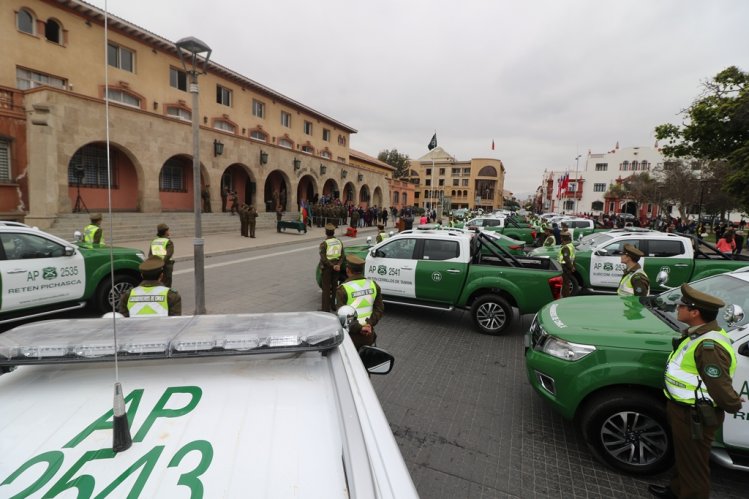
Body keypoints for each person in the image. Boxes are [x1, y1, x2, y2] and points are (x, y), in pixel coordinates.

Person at [647, 284, 742, 499]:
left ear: (694, 312)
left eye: (681, 306)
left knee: (695, 469)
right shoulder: (697, 335)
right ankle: (676, 491)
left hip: (694, 415)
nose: (677, 308)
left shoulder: (709, 345)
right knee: (685, 458)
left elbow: (719, 385)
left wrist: (733, 403)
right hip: (684, 410)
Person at [335, 254, 384, 349]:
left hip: (350, 338)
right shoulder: (373, 285)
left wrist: (359, 328)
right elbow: (379, 308)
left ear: (348, 270)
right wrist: (369, 324)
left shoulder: (343, 289)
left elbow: (342, 316)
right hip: (369, 334)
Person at [319, 223, 344, 312]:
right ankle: (334, 306)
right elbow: (342, 255)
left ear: (326, 232)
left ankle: (325, 309)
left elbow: (323, 258)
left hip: (327, 268)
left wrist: (332, 266)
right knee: (335, 287)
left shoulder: (324, 243)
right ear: (333, 232)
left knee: (326, 288)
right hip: (337, 268)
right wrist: (338, 265)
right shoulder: (339, 242)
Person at [558, 231, 577, 297]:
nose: (561, 239)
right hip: (568, 267)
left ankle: (565, 297)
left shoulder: (566, 247)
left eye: (561, 238)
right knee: (567, 283)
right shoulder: (571, 245)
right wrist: (573, 266)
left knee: (565, 284)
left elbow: (566, 258)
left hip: (565, 267)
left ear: (563, 239)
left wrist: (571, 267)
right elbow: (573, 257)